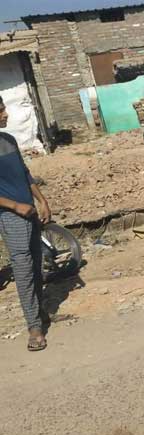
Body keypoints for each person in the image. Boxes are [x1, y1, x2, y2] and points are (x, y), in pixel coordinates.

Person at [0, 96, 52, 351]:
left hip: (30, 212)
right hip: (12, 217)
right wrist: (14, 206)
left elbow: (25, 173)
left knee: (36, 265)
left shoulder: (8, 141)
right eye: (1, 109)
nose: (5, 114)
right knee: (23, 272)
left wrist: (42, 200)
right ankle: (33, 328)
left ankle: (40, 313)